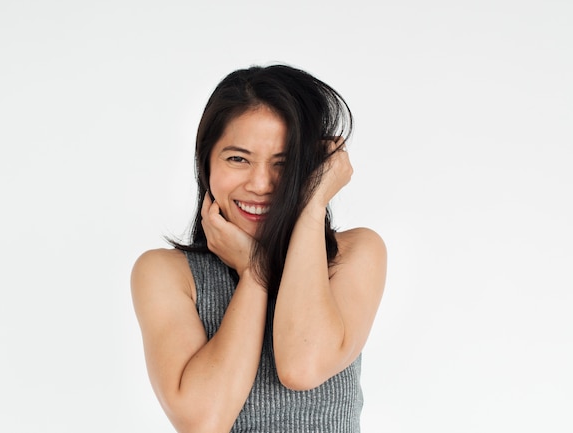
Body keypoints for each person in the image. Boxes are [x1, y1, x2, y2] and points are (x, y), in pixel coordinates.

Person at [131, 64, 387, 433]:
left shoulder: (353, 255)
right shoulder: (167, 273)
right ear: (206, 163)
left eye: (284, 164)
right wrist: (255, 271)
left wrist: (313, 206)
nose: (261, 184)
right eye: (237, 158)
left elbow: (302, 365)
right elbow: (204, 421)